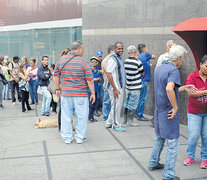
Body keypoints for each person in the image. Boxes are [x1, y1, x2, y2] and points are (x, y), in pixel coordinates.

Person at [148, 45, 196, 180]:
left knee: (159, 138)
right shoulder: (174, 70)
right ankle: (168, 175)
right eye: (183, 59)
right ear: (179, 58)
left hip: (159, 110)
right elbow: (169, 89)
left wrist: (185, 87)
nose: (183, 61)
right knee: (172, 143)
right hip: (168, 111)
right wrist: (175, 107)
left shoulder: (160, 68)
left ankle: (153, 162)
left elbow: (168, 89)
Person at [54, 40, 95, 144]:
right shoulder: (83, 61)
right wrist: (93, 93)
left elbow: (56, 75)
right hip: (80, 94)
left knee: (66, 116)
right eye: (83, 49)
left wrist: (58, 89)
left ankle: (67, 138)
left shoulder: (61, 60)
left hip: (66, 94)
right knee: (82, 116)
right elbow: (89, 79)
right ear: (79, 49)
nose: (83, 51)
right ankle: (80, 137)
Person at [183, 55, 207, 169]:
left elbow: (196, 92)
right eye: (206, 66)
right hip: (194, 112)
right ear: (200, 64)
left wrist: (201, 92)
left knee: (206, 136)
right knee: (194, 135)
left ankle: (204, 158)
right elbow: (191, 93)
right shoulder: (192, 76)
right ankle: (190, 156)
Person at [105, 42, 126, 132]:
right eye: (119, 49)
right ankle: (116, 125)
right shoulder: (113, 59)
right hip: (116, 87)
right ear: (114, 49)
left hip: (119, 86)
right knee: (117, 106)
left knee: (115, 105)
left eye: (122, 48)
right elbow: (109, 74)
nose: (121, 50)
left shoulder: (119, 58)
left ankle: (109, 122)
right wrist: (115, 89)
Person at [123, 45, 144, 126]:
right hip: (135, 86)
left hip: (128, 86)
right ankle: (130, 121)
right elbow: (142, 73)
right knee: (133, 103)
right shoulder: (138, 62)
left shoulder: (125, 61)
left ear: (128, 52)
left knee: (127, 102)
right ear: (136, 52)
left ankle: (124, 120)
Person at [136, 44, 156, 121]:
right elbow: (154, 56)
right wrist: (147, 52)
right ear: (144, 49)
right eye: (146, 48)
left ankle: (136, 113)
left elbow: (142, 65)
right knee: (142, 99)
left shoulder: (139, 56)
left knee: (139, 98)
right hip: (144, 81)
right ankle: (140, 115)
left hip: (139, 80)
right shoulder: (146, 54)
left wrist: (148, 64)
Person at [101, 45, 114, 121]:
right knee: (106, 101)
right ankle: (105, 117)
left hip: (112, 82)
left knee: (111, 101)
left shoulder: (112, 60)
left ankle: (110, 117)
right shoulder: (105, 61)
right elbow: (110, 72)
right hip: (107, 83)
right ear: (111, 51)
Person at [88, 57, 101, 123]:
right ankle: (90, 117)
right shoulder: (89, 70)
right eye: (92, 61)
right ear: (90, 63)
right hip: (90, 90)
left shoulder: (98, 71)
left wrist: (98, 79)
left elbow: (100, 79)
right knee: (91, 104)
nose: (94, 63)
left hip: (96, 90)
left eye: (95, 61)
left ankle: (92, 116)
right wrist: (95, 79)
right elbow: (89, 80)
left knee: (94, 104)